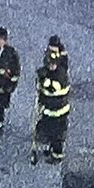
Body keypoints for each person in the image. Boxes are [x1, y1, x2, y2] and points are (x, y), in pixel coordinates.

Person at [33, 35, 71, 164]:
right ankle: (50, 149)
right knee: (48, 130)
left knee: (57, 136)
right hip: (49, 110)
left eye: (53, 65)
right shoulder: (51, 71)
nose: (51, 67)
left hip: (58, 111)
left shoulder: (60, 76)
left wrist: (43, 81)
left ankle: (57, 156)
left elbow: (53, 88)